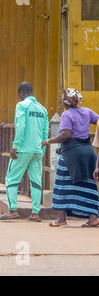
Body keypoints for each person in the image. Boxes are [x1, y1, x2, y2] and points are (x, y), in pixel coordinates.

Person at [42, 89, 99, 227]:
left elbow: (66, 135)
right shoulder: (87, 111)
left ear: (64, 102)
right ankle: (93, 218)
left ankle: (61, 219)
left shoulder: (67, 115)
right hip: (88, 151)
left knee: (62, 185)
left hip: (71, 153)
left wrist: (48, 141)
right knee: (89, 184)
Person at [0, 82, 49, 222]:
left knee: (11, 178)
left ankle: (12, 210)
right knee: (36, 181)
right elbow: (45, 133)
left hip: (23, 150)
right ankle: (35, 213)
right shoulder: (43, 109)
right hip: (38, 151)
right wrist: (42, 150)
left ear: (21, 92)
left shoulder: (21, 106)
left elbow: (20, 127)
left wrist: (15, 146)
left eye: (18, 94)